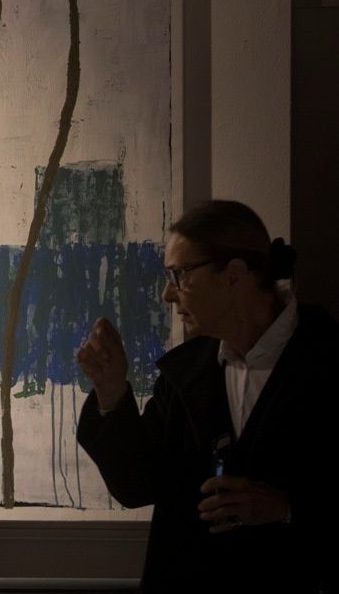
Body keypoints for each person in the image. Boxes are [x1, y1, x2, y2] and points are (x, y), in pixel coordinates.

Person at [76, 200, 335, 592]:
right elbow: (136, 485)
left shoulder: (327, 361)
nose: (168, 294)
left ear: (233, 275)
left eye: (179, 275)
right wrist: (111, 395)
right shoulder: (184, 375)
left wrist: (286, 508)